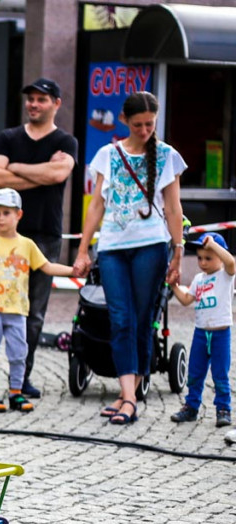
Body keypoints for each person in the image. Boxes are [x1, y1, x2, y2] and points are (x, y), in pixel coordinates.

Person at [0, 78, 77, 401]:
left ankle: (22, 380)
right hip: (1, 235)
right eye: (31, 99)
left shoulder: (66, 141)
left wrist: (17, 171)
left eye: (42, 99)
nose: (34, 104)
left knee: (32, 311)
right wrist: (40, 171)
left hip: (44, 233)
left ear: (56, 104)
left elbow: (58, 175)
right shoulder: (8, 137)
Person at [72, 91, 186, 426]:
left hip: (151, 246)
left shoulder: (167, 155)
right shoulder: (108, 154)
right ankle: (128, 395)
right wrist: (83, 248)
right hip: (111, 248)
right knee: (119, 320)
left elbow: (173, 208)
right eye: (138, 124)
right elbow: (96, 204)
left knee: (142, 319)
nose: (145, 129)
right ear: (124, 121)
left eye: (150, 123)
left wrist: (178, 252)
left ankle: (129, 397)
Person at [0, 189, 75, 412]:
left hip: (18, 310)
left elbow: (47, 266)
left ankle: (16, 393)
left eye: (6, 213)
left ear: (18, 215)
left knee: (19, 354)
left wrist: (73, 270)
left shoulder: (27, 245)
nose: (1, 218)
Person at [169, 234, 234, 427]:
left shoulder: (226, 275)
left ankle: (223, 409)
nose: (203, 263)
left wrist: (213, 245)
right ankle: (191, 407)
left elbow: (230, 261)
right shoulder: (198, 279)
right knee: (195, 372)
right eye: (200, 258)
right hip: (200, 333)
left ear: (219, 257)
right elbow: (186, 300)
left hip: (220, 333)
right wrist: (174, 286)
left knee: (220, 374)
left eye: (208, 258)